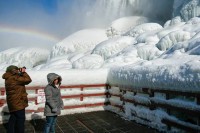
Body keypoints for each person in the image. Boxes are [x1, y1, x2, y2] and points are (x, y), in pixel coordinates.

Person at [2, 65, 32, 133]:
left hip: (12, 102)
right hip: (18, 102)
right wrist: (23, 72)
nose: (18, 71)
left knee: (13, 117)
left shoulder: (8, 78)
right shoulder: (15, 78)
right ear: (13, 71)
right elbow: (28, 80)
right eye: (16, 70)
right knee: (21, 119)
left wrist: (19, 73)